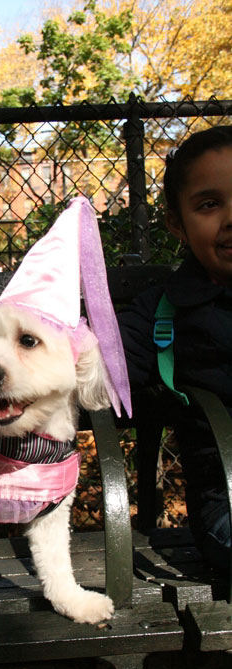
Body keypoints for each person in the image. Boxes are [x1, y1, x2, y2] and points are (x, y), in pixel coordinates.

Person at [117, 125, 232, 570]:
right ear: (176, 223)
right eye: (209, 204)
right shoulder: (163, 311)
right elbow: (103, 370)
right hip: (226, 499)